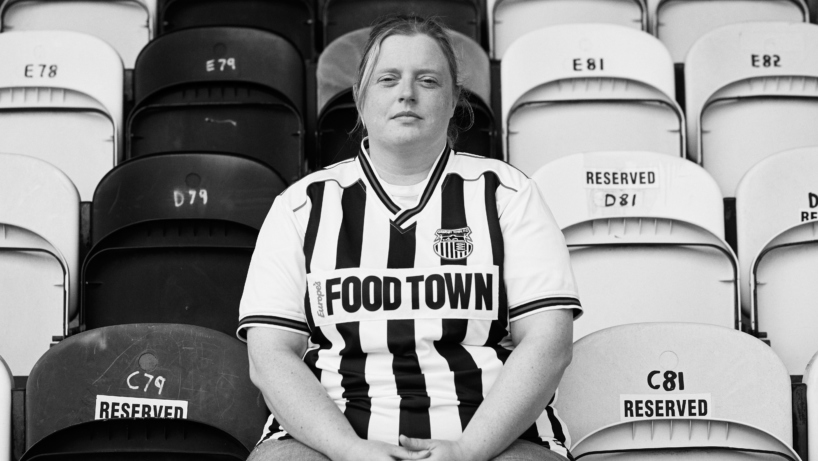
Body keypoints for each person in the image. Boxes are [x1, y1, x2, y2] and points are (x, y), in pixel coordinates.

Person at [238, 15, 582, 461]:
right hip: (332, 438)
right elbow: (270, 356)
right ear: (360, 99)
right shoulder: (301, 206)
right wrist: (348, 450)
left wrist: (467, 451)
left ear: (454, 100)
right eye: (388, 79)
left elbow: (549, 344)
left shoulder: (507, 195)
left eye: (428, 80)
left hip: (494, 439)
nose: (407, 93)